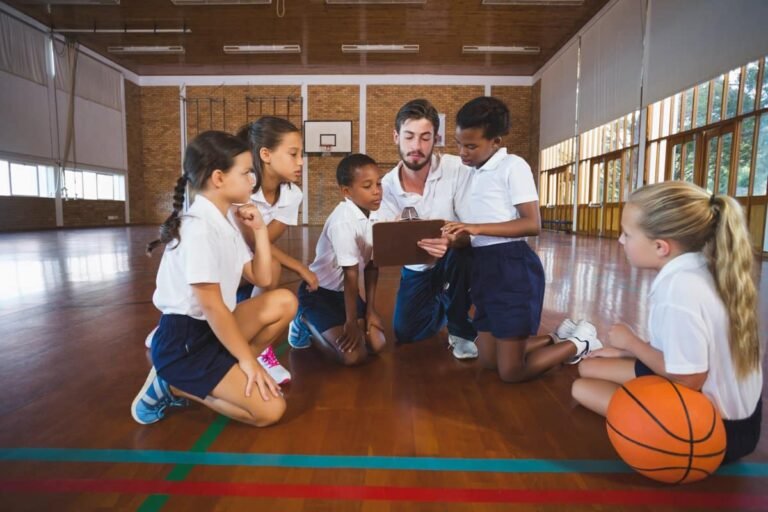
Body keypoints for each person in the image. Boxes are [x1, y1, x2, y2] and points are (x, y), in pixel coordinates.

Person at [572, 181, 762, 464]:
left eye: (627, 234)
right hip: (742, 419)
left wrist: (632, 342)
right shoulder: (702, 267)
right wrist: (624, 352)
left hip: (715, 431)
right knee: (589, 366)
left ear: (661, 247)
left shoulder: (678, 290)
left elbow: (688, 377)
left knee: (582, 388)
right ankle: (642, 396)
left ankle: (649, 410)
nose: (621, 241)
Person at [131, 130, 297, 426]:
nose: (252, 180)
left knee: (284, 301)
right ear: (218, 178)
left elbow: (262, 276)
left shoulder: (226, 219)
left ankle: (226, 370)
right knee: (270, 411)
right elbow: (212, 307)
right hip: (184, 342)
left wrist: (259, 231)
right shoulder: (198, 228)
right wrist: (249, 362)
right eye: (246, 173)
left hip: (215, 328)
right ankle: (170, 383)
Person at [443, 96, 601, 382]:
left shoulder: (513, 166)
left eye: (470, 145)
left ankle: (580, 342)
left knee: (510, 373)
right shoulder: (470, 173)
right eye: (458, 144)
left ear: (496, 142)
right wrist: (458, 236)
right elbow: (472, 231)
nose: (462, 152)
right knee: (489, 361)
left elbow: (532, 224)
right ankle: (557, 336)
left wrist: (476, 227)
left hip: (511, 268)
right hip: (483, 267)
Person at [377, 99, 478, 359]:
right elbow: (384, 247)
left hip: (456, 258)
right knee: (407, 332)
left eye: (425, 137)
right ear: (396, 137)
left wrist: (451, 241)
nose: (416, 146)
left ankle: (460, 328)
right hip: (417, 268)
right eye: (409, 137)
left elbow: (473, 228)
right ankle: (447, 300)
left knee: (464, 255)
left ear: (437, 138)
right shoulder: (386, 186)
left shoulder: (457, 168)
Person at [233, 116, 318, 384]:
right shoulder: (241, 186)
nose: (301, 162)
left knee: (271, 267)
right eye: (293, 154)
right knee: (272, 267)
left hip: (247, 259)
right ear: (266, 154)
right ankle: (177, 322)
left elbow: (263, 243)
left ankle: (259, 348)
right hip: (218, 259)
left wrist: (295, 266)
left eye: (301, 154)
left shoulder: (293, 195)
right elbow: (251, 242)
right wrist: (301, 267)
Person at [288, 153, 387, 366]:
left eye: (378, 183)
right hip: (319, 293)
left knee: (378, 345)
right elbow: (351, 274)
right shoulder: (343, 221)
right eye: (367, 186)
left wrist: (370, 310)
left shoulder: (378, 214)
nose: (377, 190)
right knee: (352, 357)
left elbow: (372, 266)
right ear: (346, 192)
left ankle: (343, 323)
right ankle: (303, 320)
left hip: (345, 294)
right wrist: (351, 322)